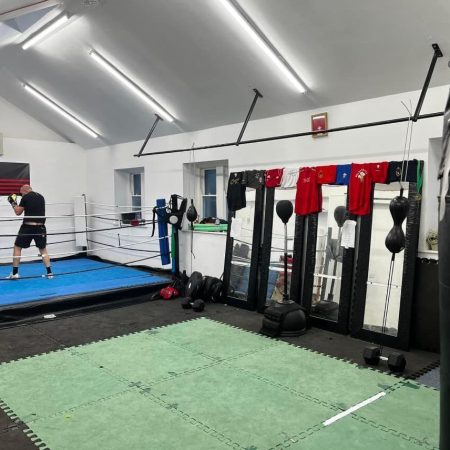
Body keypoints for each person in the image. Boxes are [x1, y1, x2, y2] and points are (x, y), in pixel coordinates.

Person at [7, 185, 53, 279]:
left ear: (24, 191)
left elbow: (18, 212)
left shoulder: (26, 196)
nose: (21, 195)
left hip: (28, 227)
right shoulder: (41, 196)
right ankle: (49, 273)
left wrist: (13, 203)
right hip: (41, 227)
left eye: (21, 193)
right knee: (43, 249)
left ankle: (15, 274)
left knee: (17, 247)